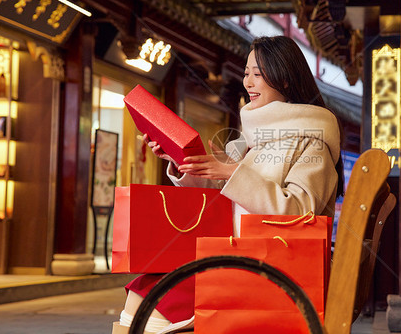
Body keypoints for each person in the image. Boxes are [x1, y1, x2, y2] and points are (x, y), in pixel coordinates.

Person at [113, 35, 344, 334]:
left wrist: (230, 172)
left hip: (268, 268)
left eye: (258, 75)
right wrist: (181, 160)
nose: (248, 83)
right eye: (246, 73)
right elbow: (219, 204)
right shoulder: (250, 141)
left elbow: (301, 212)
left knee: (147, 304)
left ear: (285, 80)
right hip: (236, 257)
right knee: (143, 289)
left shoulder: (312, 143)